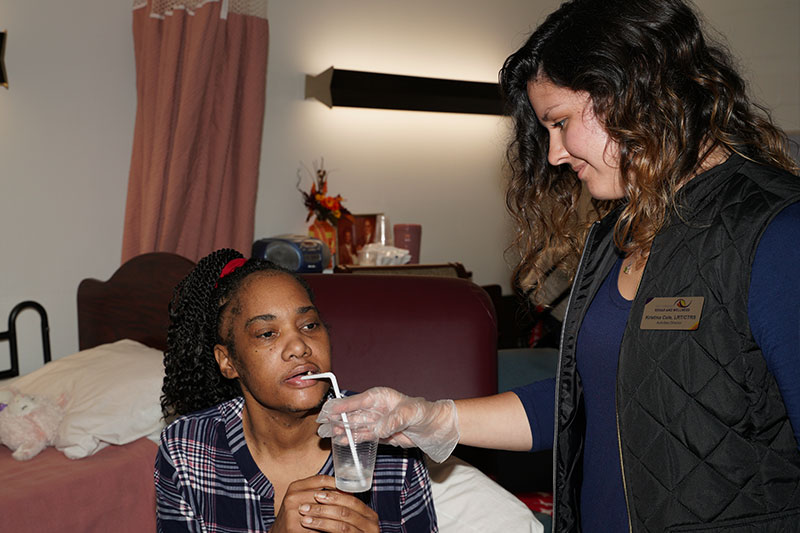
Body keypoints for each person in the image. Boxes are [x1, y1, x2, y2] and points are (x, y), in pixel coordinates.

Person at [317, 1, 800, 531]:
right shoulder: (615, 236)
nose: (554, 154)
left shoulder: (776, 233)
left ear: (634, 92)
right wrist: (426, 417)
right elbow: (587, 396)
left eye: (562, 122)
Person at [155, 249, 438, 532]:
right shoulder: (187, 450)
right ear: (228, 361)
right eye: (267, 333)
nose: (300, 346)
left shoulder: (388, 440)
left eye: (309, 325)